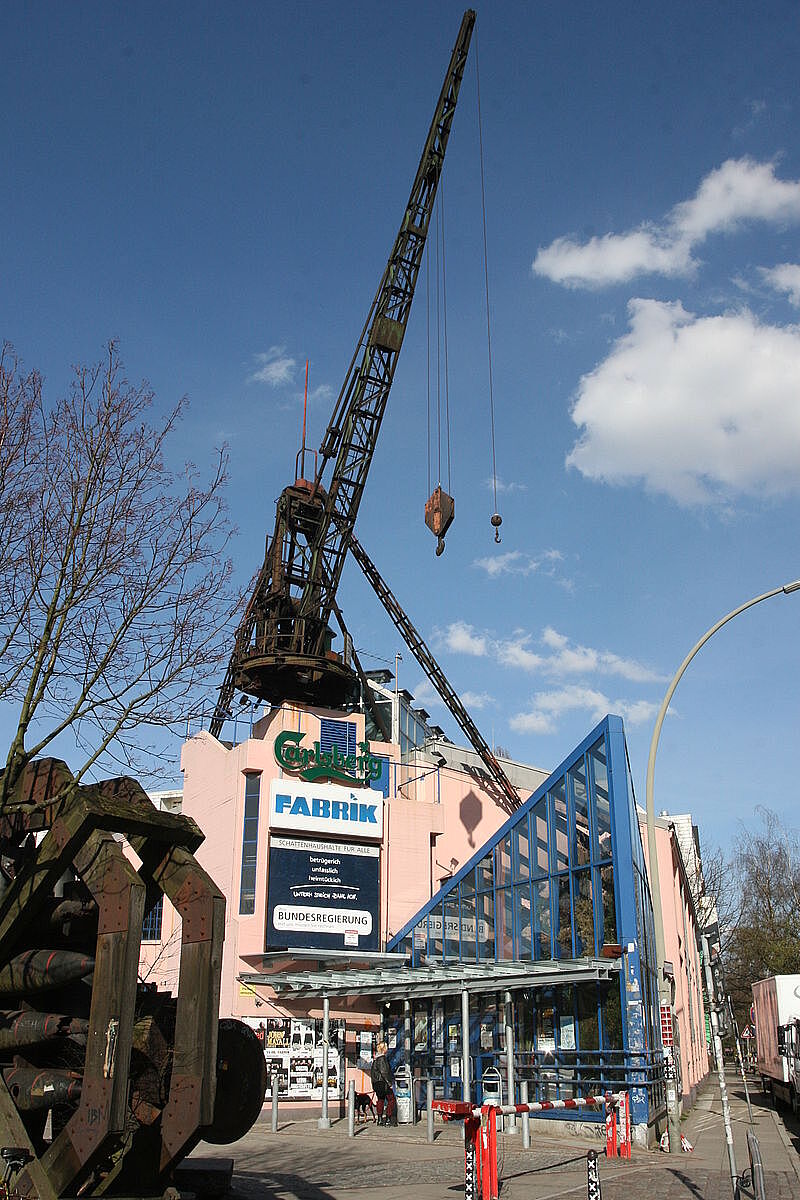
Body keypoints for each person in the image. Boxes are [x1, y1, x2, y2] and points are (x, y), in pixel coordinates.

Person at [370, 1041, 397, 1126]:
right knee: (391, 1099)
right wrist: (390, 1084)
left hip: (377, 1083)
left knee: (380, 1100)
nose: (387, 1049)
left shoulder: (376, 1059)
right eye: (386, 1047)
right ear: (384, 1048)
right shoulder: (382, 1059)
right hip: (383, 1083)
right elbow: (384, 1072)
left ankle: (380, 1119)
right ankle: (388, 1119)